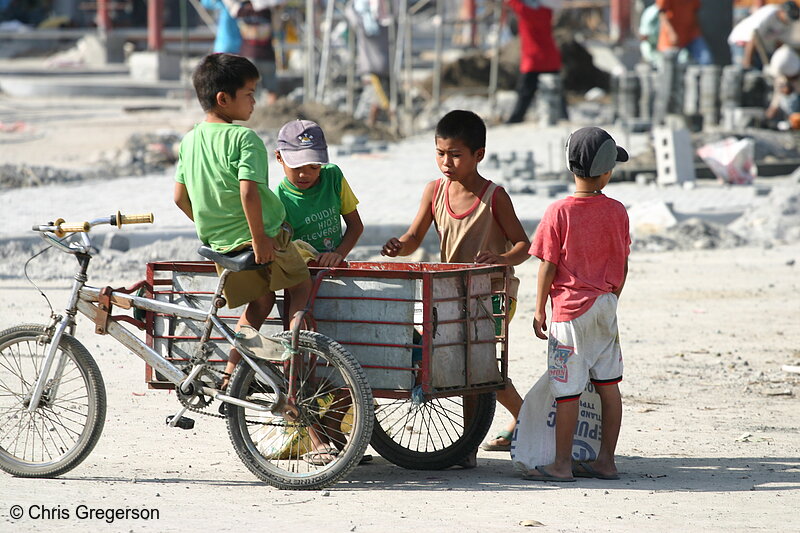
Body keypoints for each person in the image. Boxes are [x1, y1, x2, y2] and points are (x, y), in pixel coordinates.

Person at [381, 110, 530, 464]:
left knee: (475, 365)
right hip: (449, 294)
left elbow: (524, 246)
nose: (446, 162)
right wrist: (399, 247)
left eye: (455, 154)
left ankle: (471, 445)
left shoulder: (494, 196)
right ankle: (514, 420)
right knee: (466, 367)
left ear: (479, 154)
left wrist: (500, 257)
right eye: (440, 153)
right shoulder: (434, 191)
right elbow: (414, 236)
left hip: (492, 295)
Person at [172, 52, 311, 408]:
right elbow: (248, 191)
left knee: (261, 301)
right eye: (249, 93)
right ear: (224, 98)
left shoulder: (189, 141)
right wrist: (260, 237)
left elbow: (179, 198)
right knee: (300, 285)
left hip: (222, 246)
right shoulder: (243, 139)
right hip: (262, 238)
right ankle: (294, 349)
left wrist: (213, 227)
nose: (255, 100)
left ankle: (230, 375)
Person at [523, 126, 629, 482]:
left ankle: (562, 465)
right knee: (609, 385)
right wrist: (611, 298)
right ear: (606, 172)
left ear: (571, 168)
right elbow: (622, 264)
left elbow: (547, 265)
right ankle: (606, 461)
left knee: (566, 392)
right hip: (605, 305)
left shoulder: (558, 212)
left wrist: (539, 308)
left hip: (569, 314)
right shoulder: (617, 212)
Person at [274, 119, 364, 266]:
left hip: (335, 266)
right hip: (302, 272)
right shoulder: (280, 200)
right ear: (279, 158)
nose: (305, 174)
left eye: (314, 167)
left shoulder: (333, 176)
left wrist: (338, 255)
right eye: (296, 167)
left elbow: (355, 226)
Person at [505, 0, 562, 124]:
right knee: (557, 94)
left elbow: (512, 2)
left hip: (533, 59)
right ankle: (563, 117)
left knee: (525, 93)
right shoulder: (546, 12)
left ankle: (515, 118)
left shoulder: (526, 12)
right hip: (550, 58)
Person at [728, 0, 800, 70]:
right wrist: (747, 62)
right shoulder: (770, 12)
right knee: (743, 72)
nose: (789, 19)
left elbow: (779, 43)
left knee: (758, 76)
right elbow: (754, 36)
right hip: (743, 41)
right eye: (788, 17)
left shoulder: (788, 22)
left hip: (759, 48)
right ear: (782, 11)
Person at [655, 0, 713, 65]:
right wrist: (671, 33)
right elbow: (661, 13)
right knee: (668, 65)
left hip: (691, 34)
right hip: (671, 38)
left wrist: (698, 30)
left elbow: (695, 11)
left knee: (706, 59)